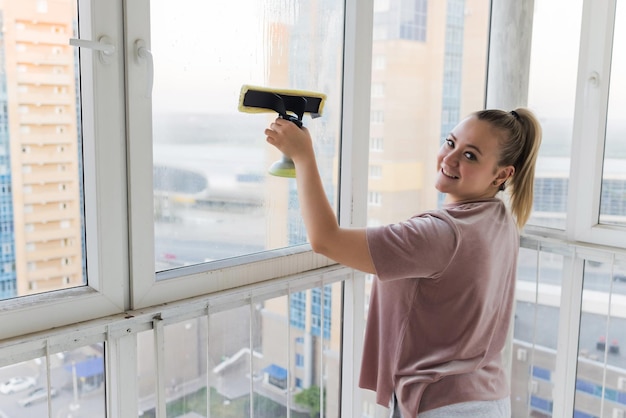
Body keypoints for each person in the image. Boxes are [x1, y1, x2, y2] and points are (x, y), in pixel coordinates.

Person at [265, 108, 542, 417]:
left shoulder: (441, 234)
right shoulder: (500, 218)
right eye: (450, 143)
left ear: (502, 174)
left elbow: (326, 239)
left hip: (444, 407)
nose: (450, 159)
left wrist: (303, 157)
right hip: (489, 400)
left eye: (471, 156)